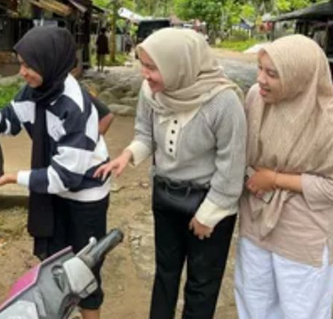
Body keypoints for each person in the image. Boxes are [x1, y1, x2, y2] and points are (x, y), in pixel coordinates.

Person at [95, 28, 246, 319]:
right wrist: (127, 155)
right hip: (165, 196)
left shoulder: (223, 103)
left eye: (153, 67)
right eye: (143, 65)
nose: (145, 74)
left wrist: (208, 215)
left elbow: (232, 166)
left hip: (209, 202)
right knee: (165, 272)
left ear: (180, 65)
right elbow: (145, 134)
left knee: (202, 283)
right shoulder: (152, 92)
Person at [0, 27, 110, 319]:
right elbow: (11, 122)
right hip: (54, 190)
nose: (22, 72)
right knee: (55, 268)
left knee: (83, 272)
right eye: (20, 63)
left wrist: (13, 177)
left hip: (84, 196)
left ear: (50, 63)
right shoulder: (35, 90)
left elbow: (65, 178)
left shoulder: (74, 105)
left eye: (28, 65)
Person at [235, 35, 333, 319]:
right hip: (257, 222)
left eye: (272, 74)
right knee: (253, 302)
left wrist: (275, 179)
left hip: (303, 235)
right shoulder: (256, 98)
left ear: (299, 76)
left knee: (301, 311)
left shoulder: (329, 121)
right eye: (260, 68)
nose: (261, 79)